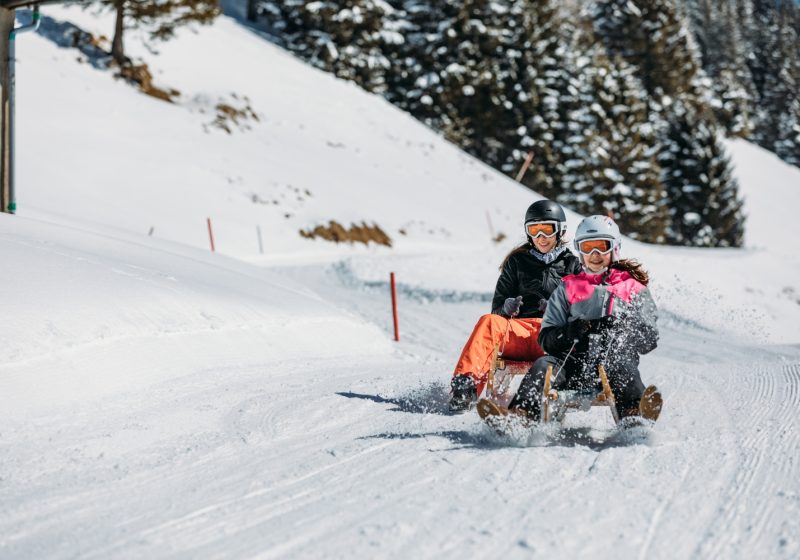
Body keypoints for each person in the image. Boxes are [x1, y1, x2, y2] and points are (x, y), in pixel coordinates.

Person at [507, 215, 663, 422]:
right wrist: (568, 331)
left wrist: (625, 328)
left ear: (615, 248)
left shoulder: (632, 288)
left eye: (601, 246)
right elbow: (546, 338)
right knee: (544, 365)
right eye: (587, 247)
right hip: (571, 365)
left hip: (612, 362)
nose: (594, 254)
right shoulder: (568, 287)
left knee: (622, 366)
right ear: (579, 250)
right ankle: (520, 416)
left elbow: (649, 340)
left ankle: (635, 414)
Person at [449, 200, 582, 412]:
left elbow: (583, 310)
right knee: (488, 322)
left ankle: (540, 403)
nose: (541, 237)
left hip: (551, 336)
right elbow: (496, 310)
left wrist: (558, 310)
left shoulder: (573, 265)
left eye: (547, 230)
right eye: (534, 230)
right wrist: (505, 309)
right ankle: (465, 388)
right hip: (518, 333)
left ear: (560, 230)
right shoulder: (517, 261)